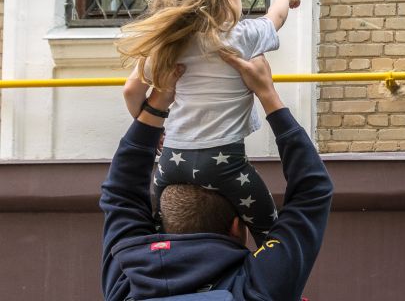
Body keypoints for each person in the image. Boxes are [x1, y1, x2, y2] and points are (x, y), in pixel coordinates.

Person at [100, 54, 333, 301]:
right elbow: (120, 194)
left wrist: (156, 102)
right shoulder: (259, 285)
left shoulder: (127, 280)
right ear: (237, 227)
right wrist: (267, 93)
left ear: (163, 224)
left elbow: (313, 192)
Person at [117, 0, 300, 246]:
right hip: (226, 164)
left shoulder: (166, 46)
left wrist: (151, 128)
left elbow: (131, 91)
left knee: (162, 240)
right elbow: (275, 18)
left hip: (171, 162)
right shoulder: (241, 37)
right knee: (273, 238)